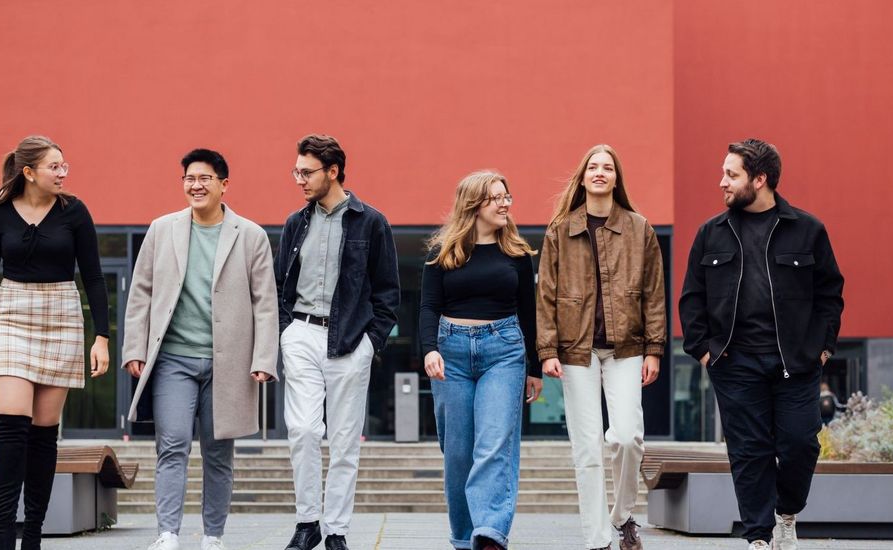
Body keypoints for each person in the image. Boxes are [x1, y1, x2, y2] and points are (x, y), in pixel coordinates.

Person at [679, 139, 845, 550]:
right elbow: (691, 297)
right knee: (749, 451)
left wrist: (822, 347)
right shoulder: (710, 234)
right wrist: (703, 348)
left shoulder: (808, 230)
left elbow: (830, 293)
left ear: (760, 179)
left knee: (800, 443)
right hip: (734, 362)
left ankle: (786, 513)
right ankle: (757, 537)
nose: (722, 183)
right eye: (724, 173)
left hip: (796, 363)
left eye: (731, 175)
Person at [0, 135, 110, 550]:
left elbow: (93, 277)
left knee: (44, 432)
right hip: (10, 313)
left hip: (61, 315)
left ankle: (34, 535)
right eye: (54, 167)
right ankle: (6, 534)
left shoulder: (75, 213)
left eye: (65, 166)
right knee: (12, 423)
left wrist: (102, 336)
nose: (63, 173)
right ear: (28, 172)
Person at [122, 148, 279, 550]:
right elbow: (140, 292)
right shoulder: (162, 230)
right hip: (173, 358)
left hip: (228, 362)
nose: (196, 185)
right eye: (189, 178)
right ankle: (168, 533)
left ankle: (212, 535)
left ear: (224, 184)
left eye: (205, 178)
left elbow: (265, 302)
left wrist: (264, 358)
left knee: (218, 452)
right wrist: (134, 347)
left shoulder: (251, 235)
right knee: (171, 443)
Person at [537, 144, 665, 550]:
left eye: (607, 167)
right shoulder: (560, 229)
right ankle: (596, 541)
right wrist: (547, 350)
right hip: (575, 351)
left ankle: (622, 514)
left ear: (615, 178)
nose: (600, 172)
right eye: (593, 166)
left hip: (627, 348)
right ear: (583, 176)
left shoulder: (638, 227)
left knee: (626, 437)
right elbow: (546, 296)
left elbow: (654, 293)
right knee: (587, 448)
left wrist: (655, 349)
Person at [277, 134, 400, 550]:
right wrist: (285, 331)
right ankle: (307, 521)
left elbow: (388, 293)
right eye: (297, 171)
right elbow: (281, 286)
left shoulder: (372, 222)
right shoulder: (297, 222)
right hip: (302, 332)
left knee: (345, 440)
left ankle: (336, 530)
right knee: (305, 429)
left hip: (350, 338)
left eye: (306, 172)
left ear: (333, 171)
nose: (299, 180)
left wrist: (371, 343)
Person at [420, 170, 543, 550]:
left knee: (494, 442)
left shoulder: (518, 255)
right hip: (451, 352)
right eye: (497, 197)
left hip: (504, 352)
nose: (506, 203)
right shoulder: (441, 252)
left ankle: (490, 531)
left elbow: (529, 312)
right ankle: (463, 536)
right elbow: (428, 307)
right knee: (458, 451)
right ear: (474, 204)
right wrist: (429, 349)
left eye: (507, 196)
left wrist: (534, 369)